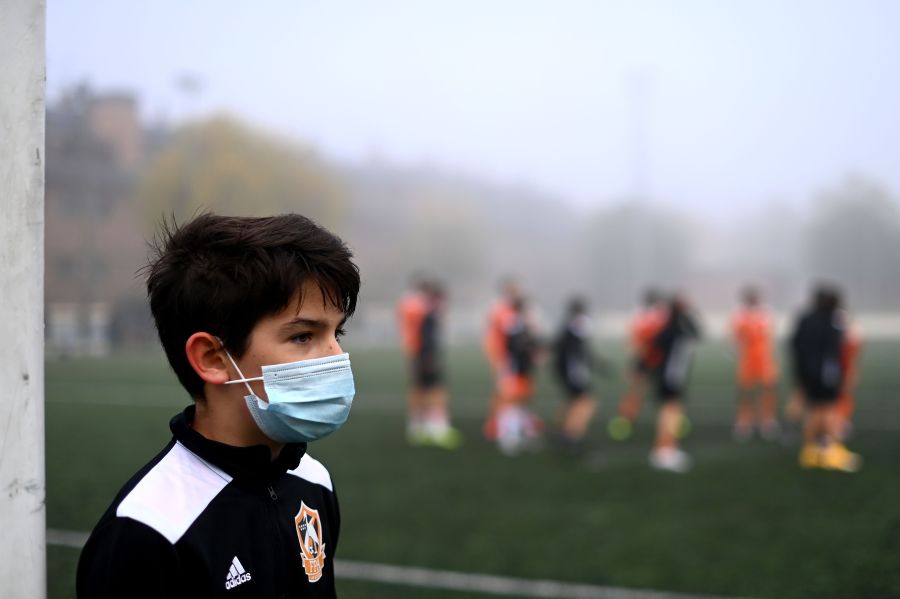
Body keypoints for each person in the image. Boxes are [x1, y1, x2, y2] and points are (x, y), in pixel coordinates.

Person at [77, 213, 360, 598]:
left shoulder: (313, 481)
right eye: (302, 336)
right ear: (212, 358)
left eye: (336, 332)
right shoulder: (148, 528)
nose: (335, 355)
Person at [791, 285, 862, 472]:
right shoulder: (833, 321)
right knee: (829, 410)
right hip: (825, 373)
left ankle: (810, 452)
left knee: (814, 410)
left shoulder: (805, 319)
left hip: (807, 371)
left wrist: (801, 375)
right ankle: (832, 453)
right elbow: (843, 343)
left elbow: (795, 345)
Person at [399, 279, 462, 448]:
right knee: (435, 390)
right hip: (425, 357)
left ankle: (419, 426)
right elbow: (427, 339)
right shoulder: (426, 313)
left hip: (419, 355)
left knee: (420, 389)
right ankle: (437, 427)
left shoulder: (416, 309)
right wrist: (429, 359)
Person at [648, 294, 700, 473]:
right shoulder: (672, 327)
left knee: (674, 411)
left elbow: (698, 332)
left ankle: (669, 448)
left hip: (676, 375)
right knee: (670, 411)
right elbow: (656, 344)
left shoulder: (680, 325)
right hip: (670, 376)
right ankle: (664, 450)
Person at [608, 289, 667, 441]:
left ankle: (626, 419)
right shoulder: (658, 315)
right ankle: (630, 418)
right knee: (659, 394)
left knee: (636, 391)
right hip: (655, 360)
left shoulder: (640, 316)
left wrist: (633, 359)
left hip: (645, 359)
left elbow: (631, 342)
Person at [551, 297, 605, 454]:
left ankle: (562, 431)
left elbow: (556, 345)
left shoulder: (566, 324)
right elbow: (582, 351)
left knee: (572, 400)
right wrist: (596, 364)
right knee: (586, 402)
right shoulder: (578, 324)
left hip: (564, 369)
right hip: (574, 371)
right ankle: (572, 435)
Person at [495, 297, 544, 455]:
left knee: (523, 401)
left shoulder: (522, 324)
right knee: (512, 401)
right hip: (514, 370)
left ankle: (522, 433)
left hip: (523, 369)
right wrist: (531, 348)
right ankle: (508, 436)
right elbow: (515, 345)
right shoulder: (513, 323)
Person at [731, 287, 780, 441]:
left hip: (764, 359)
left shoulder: (766, 314)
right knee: (746, 391)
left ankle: (767, 419)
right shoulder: (739, 315)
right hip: (747, 360)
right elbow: (735, 337)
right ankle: (744, 420)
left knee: (767, 390)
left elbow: (771, 336)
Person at [482, 277, 523, 441]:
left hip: (510, 357)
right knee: (507, 392)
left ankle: (497, 425)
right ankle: (503, 429)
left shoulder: (510, 309)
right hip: (504, 358)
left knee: (506, 392)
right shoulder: (501, 310)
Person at [397, 275, 431, 443]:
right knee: (417, 386)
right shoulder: (412, 304)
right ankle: (415, 423)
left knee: (422, 387)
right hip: (416, 349)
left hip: (416, 348)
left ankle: (420, 421)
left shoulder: (411, 303)